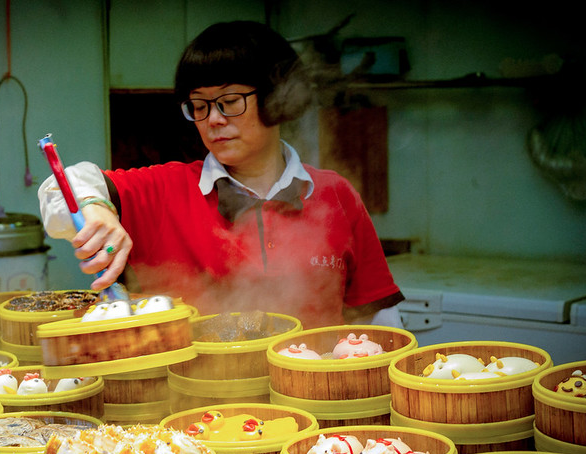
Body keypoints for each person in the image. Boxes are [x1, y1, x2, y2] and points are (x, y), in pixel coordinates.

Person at [38, 20, 404, 329]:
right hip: (189, 408)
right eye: (199, 106)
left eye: (229, 102)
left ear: (279, 99)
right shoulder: (166, 190)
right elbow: (61, 186)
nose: (213, 119)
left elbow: (380, 320)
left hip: (316, 403)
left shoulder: (334, 195)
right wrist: (95, 205)